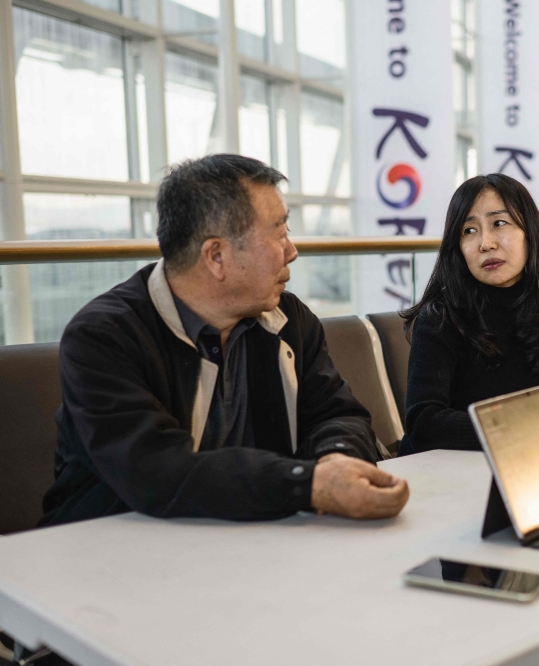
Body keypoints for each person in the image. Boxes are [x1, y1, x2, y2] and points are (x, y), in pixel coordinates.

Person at [40, 154, 409, 526]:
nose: (292, 252)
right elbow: (156, 471)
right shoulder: (105, 338)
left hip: (253, 535)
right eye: (279, 233)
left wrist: (337, 460)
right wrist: (307, 484)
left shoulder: (289, 319)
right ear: (216, 255)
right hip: (114, 546)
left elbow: (337, 413)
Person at [397, 173, 539, 455]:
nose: (486, 243)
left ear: (529, 231)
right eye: (469, 231)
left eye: (499, 223)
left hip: (529, 460)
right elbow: (424, 424)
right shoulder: (440, 315)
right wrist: (537, 419)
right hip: (447, 470)